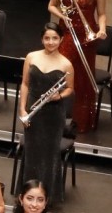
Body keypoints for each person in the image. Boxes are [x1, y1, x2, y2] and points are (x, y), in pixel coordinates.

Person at [48, 0, 108, 135]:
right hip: (67, 34)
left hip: (87, 37)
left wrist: (102, 29)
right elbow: (51, 5)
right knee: (61, 74)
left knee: (82, 80)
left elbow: (102, 14)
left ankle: (81, 121)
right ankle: (55, 116)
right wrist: (62, 16)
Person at [17, 23, 74, 200]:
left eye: (55, 38)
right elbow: (25, 84)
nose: (51, 42)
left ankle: (47, 196)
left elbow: (70, 88)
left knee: (49, 154)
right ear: (42, 39)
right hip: (33, 110)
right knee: (32, 152)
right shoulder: (31, 57)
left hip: (53, 115)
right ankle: (28, 193)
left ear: (61, 39)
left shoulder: (66, 64)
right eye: (47, 38)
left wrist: (59, 96)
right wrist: (22, 109)